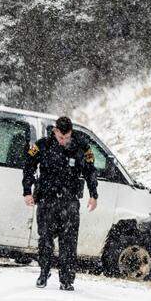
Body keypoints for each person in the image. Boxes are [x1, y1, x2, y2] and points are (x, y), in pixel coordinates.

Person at [22, 116, 98, 291]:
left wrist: (94, 194)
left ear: (71, 133)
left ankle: (66, 279)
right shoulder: (43, 145)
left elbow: (90, 172)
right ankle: (44, 271)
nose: (64, 141)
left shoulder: (81, 147)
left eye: (67, 137)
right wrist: (27, 191)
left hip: (69, 201)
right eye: (61, 137)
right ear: (55, 131)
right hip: (47, 200)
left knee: (69, 242)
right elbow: (28, 167)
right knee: (45, 239)